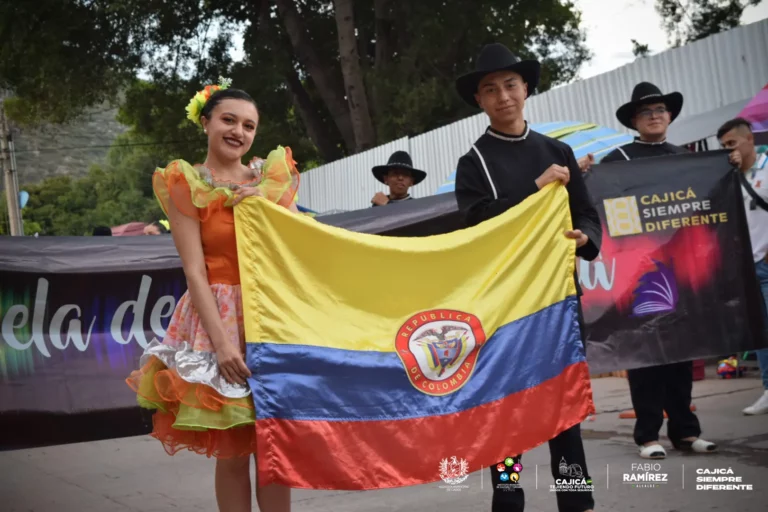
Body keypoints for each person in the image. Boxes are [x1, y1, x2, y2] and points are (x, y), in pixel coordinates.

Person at [126, 78, 299, 512]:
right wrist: (222, 344)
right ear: (206, 123)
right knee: (235, 451)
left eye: (249, 125)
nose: (238, 131)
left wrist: (265, 204)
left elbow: (299, 246)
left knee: (274, 448)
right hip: (217, 320)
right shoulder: (185, 182)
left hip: (270, 317)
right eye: (228, 120)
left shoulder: (271, 178)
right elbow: (194, 271)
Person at [454, 42, 600, 512]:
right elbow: (477, 226)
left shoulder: (557, 151)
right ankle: (508, 498)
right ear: (479, 100)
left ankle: (575, 500)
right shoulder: (473, 163)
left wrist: (585, 238)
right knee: (507, 415)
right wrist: (532, 191)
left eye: (511, 85)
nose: (503, 96)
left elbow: (589, 215)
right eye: (490, 89)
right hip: (503, 308)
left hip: (557, 303)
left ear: (527, 89)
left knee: (564, 411)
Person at [601, 81, 718, 459]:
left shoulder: (683, 157)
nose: (655, 117)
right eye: (646, 112)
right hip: (639, 272)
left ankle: (685, 432)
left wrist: (726, 168)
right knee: (645, 355)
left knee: (682, 353)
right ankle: (647, 436)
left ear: (670, 117)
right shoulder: (617, 159)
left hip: (680, 269)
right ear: (634, 120)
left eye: (661, 111)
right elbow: (603, 204)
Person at [717, 117, 768, 416]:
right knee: (760, 333)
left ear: (749, 138)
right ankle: (767, 389)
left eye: (732, 144)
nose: (728, 151)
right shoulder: (729, 177)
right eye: (723, 147)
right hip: (747, 269)